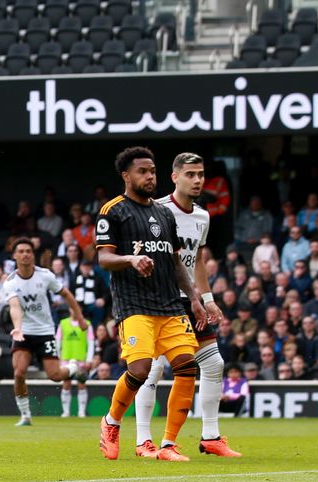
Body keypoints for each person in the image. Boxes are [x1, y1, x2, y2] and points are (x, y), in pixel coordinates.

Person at [96, 147, 207, 462]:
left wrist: (195, 299)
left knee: (187, 365)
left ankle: (168, 445)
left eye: (153, 171)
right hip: (134, 305)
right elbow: (104, 257)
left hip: (170, 305)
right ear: (126, 176)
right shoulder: (113, 211)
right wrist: (131, 259)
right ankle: (111, 422)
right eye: (143, 171)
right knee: (140, 370)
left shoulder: (164, 213)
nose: (149, 177)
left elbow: (175, 263)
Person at [133, 153, 241, 459]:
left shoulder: (202, 216)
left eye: (201, 175)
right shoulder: (156, 210)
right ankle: (144, 441)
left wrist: (208, 300)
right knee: (153, 369)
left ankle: (210, 436)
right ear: (175, 177)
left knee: (213, 364)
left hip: (190, 300)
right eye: (191, 174)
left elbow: (198, 261)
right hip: (160, 300)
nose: (197, 180)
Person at [4, 238, 88, 426]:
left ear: (33, 255)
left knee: (55, 376)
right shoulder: (10, 282)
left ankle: (74, 367)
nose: (25, 254)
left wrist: (80, 318)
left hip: (44, 331)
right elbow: (14, 306)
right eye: (21, 251)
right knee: (19, 373)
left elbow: (66, 294)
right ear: (15, 256)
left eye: (28, 251)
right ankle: (25, 415)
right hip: (23, 332)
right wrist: (17, 327)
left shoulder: (45, 276)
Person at [55, 312, 95, 418]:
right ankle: (66, 412)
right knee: (66, 384)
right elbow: (58, 341)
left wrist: (89, 359)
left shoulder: (87, 324)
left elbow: (91, 342)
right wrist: (57, 358)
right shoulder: (63, 323)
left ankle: (81, 412)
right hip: (66, 359)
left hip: (80, 359)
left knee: (81, 384)